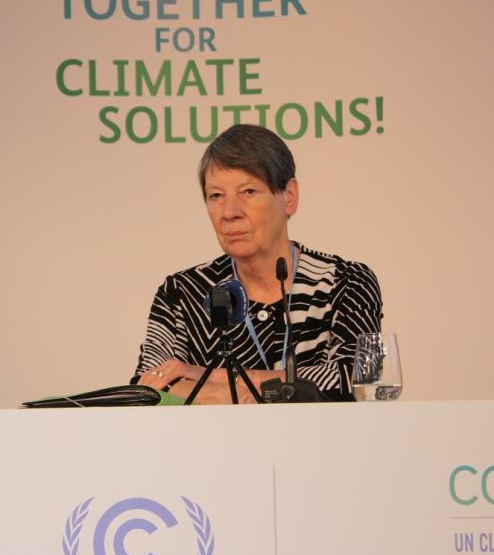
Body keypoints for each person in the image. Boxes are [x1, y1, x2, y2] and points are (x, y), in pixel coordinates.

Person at [133, 124, 382, 403]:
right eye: (216, 196)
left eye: (249, 191)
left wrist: (210, 378)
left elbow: (364, 378)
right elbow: (147, 389)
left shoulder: (346, 281)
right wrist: (257, 394)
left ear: (289, 197)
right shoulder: (183, 292)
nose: (229, 213)